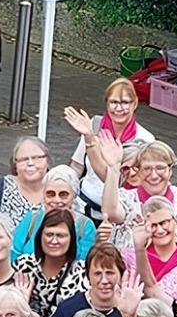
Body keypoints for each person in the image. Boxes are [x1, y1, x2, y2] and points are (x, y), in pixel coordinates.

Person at [64, 79, 153, 224]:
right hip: (82, 206)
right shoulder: (94, 124)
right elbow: (77, 166)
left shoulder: (145, 140)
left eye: (125, 102)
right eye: (113, 102)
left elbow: (115, 178)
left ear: (135, 103)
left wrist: (90, 140)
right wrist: (65, 192)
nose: (119, 108)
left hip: (117, 215)